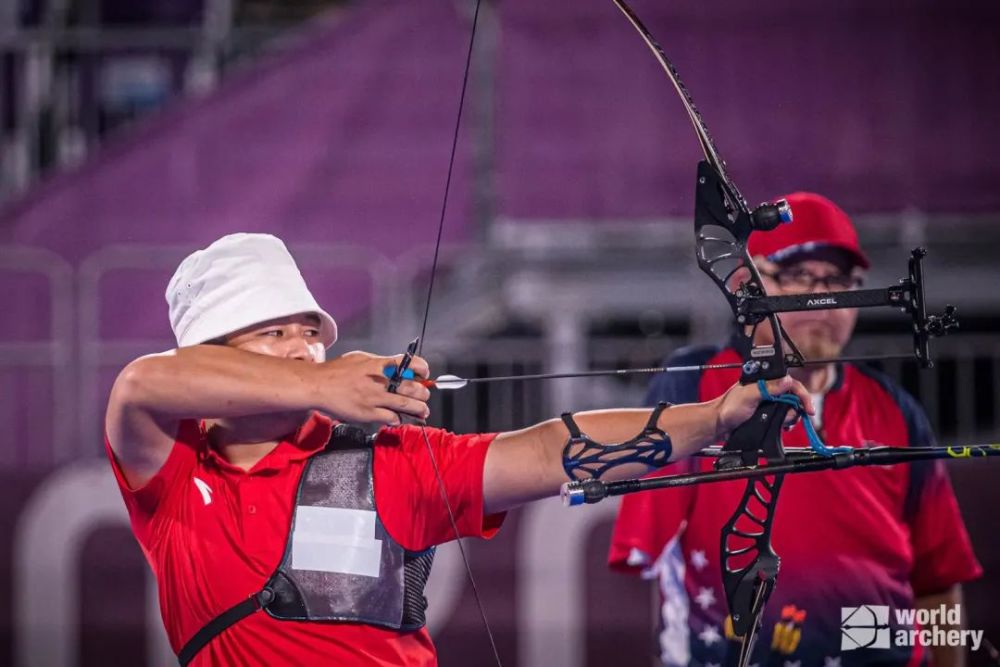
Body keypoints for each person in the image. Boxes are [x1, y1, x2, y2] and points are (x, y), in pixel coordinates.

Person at [104, 232, 811, 666]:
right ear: (212, 356)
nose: (304, 347)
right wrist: (321, 383)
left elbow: (540, 452)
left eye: (308, 331)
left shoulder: (381, 459)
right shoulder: (173, 467)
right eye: (273, 334)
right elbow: (141, 383)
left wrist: (713, 418)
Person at [608, 192, 982, 666]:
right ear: (750, 281)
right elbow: (649, 550)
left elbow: (938, 582)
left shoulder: (897, 410)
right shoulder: (694, 384)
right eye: (800, 276)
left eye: (839, 280)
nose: (822, 299)